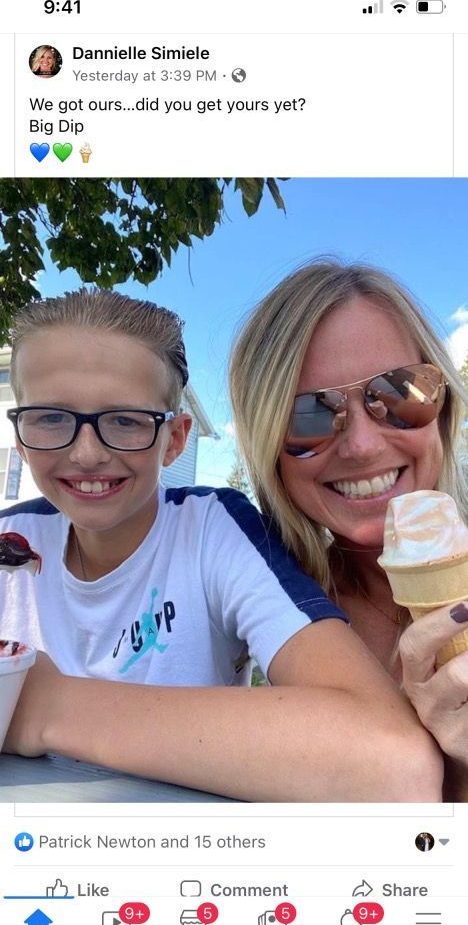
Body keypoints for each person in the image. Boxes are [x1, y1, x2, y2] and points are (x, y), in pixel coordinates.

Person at [1, 288, 441, 803]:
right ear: (20, 433)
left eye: (126, 420)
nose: (87, 452)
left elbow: (392, 763)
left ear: (177, 439)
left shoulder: (212, 530)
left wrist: (47, 707)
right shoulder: (13, 544)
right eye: (50, 417)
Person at [230, 258, 468, 801]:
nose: (362, 445)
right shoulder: (276, 611)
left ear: (443, 402)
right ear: (271, 450)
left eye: (399, 393)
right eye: (307, 416)